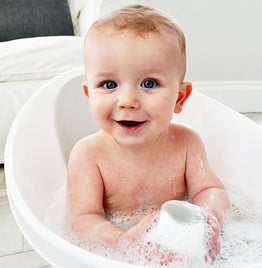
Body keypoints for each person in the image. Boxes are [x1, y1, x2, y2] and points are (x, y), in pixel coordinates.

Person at [65, 4, 230, 263]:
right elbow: (81, 221)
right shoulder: (88, 155)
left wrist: (209, 216)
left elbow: (211, 189)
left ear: (180, 97)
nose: (127, 100)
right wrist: (123, 242)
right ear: (89, 95)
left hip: (180, 247)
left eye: (149, 83)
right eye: (109, 84)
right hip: (115, 256)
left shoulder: (187, 143)